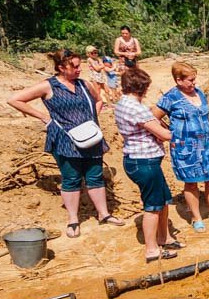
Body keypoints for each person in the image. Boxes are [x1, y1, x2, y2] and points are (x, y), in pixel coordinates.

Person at [7, 49, 125, 237]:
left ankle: (104, 214)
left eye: (80, 66)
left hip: (91, 137)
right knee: (71, 179)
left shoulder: (85, 84)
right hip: (65, 139)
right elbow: (14, 99)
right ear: (61, 67)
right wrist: (45, 118)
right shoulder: (48, 86)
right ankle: (73, 220)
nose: (79, 70)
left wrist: (91, 120)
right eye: (75, 66)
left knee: (95, 176)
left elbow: (99, 100)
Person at [114, 66, 183, 262]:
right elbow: (164, 134)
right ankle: (152, 248)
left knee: (162, 200)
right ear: (142, 88)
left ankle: (164, 237)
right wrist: (178, 131)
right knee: (153, 206)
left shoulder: (125, 103)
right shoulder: (135, 107)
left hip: (144, 160)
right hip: (144, 161)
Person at [154, 62, 209, 232]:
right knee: (191, 182)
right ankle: (196, 217)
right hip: (185, 148)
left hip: (206, 145)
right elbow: (154, 117)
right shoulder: (170, 97)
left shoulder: (199, 92)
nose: (193, 83)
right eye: (190, 80)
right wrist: (170, 133)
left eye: (195, 80)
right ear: (178, 80)